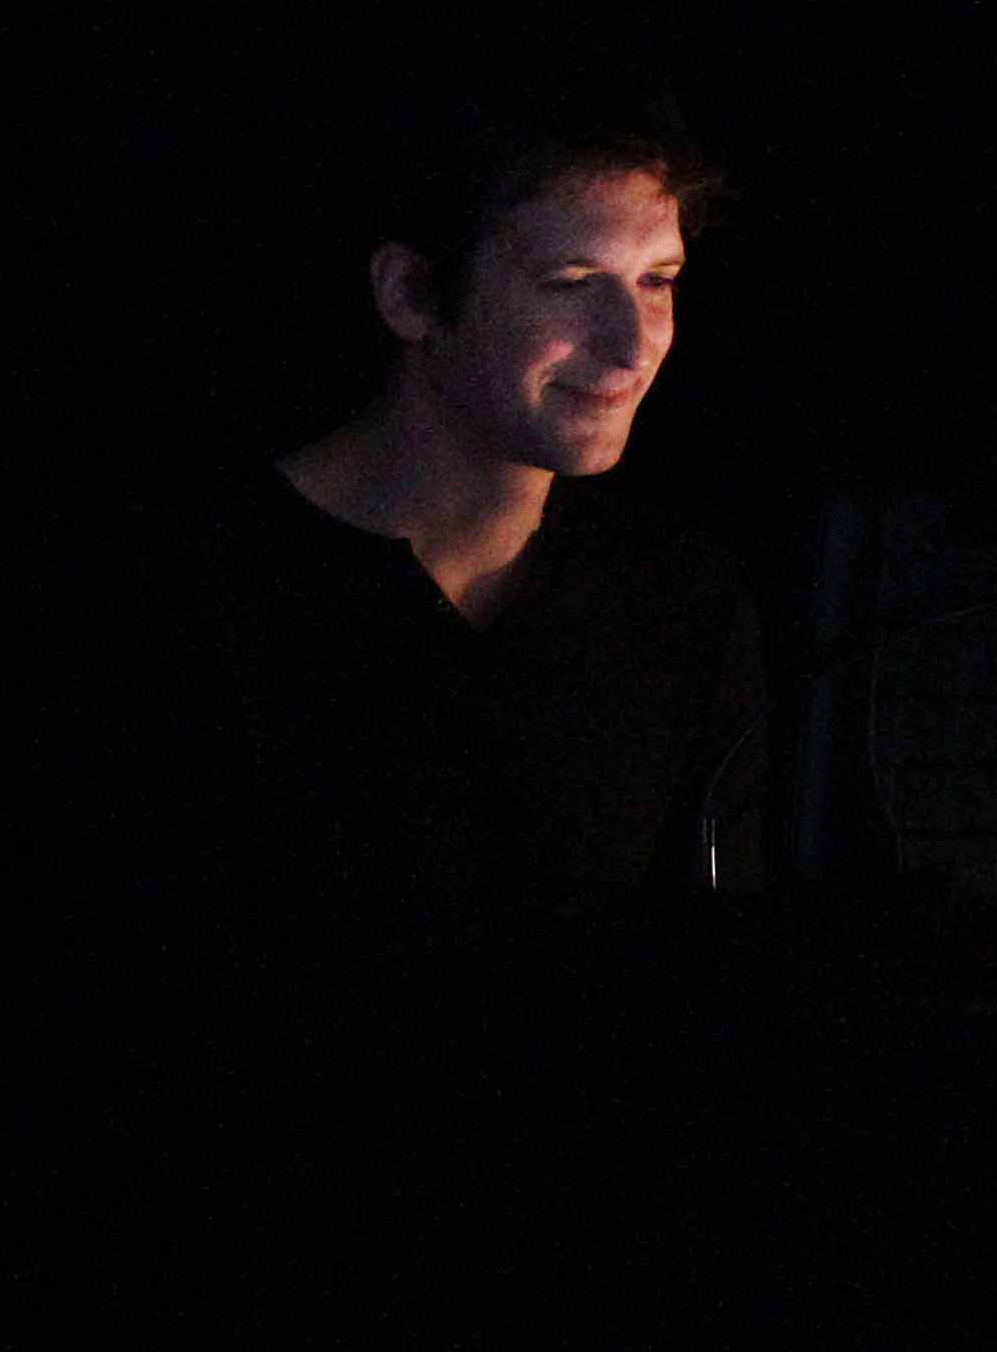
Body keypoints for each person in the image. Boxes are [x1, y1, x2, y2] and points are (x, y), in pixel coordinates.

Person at [193, 79, 768, 925]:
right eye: (571, 282)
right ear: (410, 294)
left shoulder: (680, 602)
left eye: (658, 281)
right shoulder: (210, 590)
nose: (632, 346)